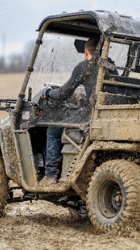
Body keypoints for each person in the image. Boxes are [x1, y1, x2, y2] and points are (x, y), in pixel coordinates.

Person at [36, 36, 107, 186]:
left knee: (53, 129)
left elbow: (63, 93)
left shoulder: (85, 67)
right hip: (103, 114)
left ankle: (50, 175)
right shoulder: (110, 67)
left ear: (87, 51)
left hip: (90, 117)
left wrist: (48, 92)